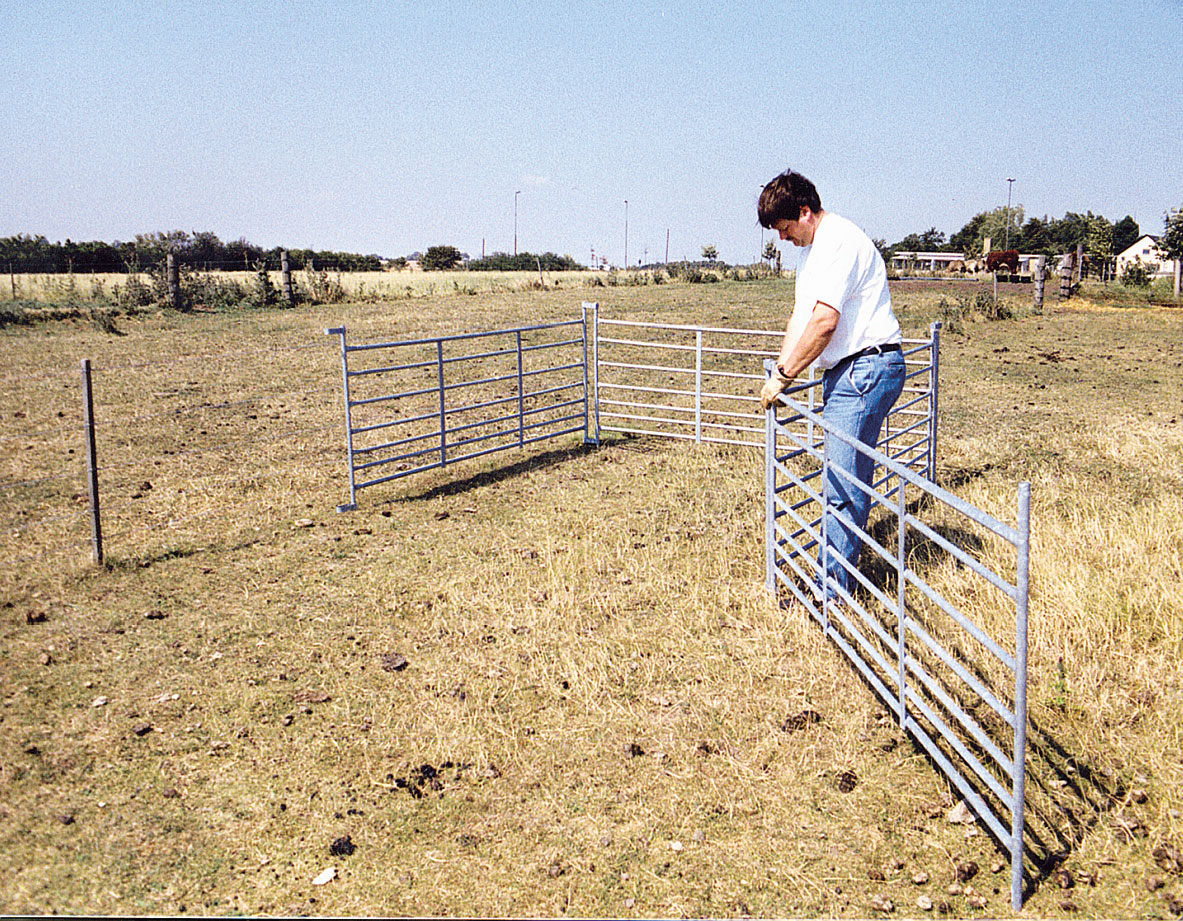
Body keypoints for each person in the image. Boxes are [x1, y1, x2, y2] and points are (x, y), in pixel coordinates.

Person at [757, 168, 905, 603]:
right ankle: (835, 579)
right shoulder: (813, 251)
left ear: (805, 211)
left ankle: (831, 593)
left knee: (841, 485)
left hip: (865, 368)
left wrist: (784, 376)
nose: (782, 238)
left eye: (785, 228)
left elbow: (824, 322)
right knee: (846, 478)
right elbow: (801, 318)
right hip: (851, 370)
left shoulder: (838, 241)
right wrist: (779, 371)